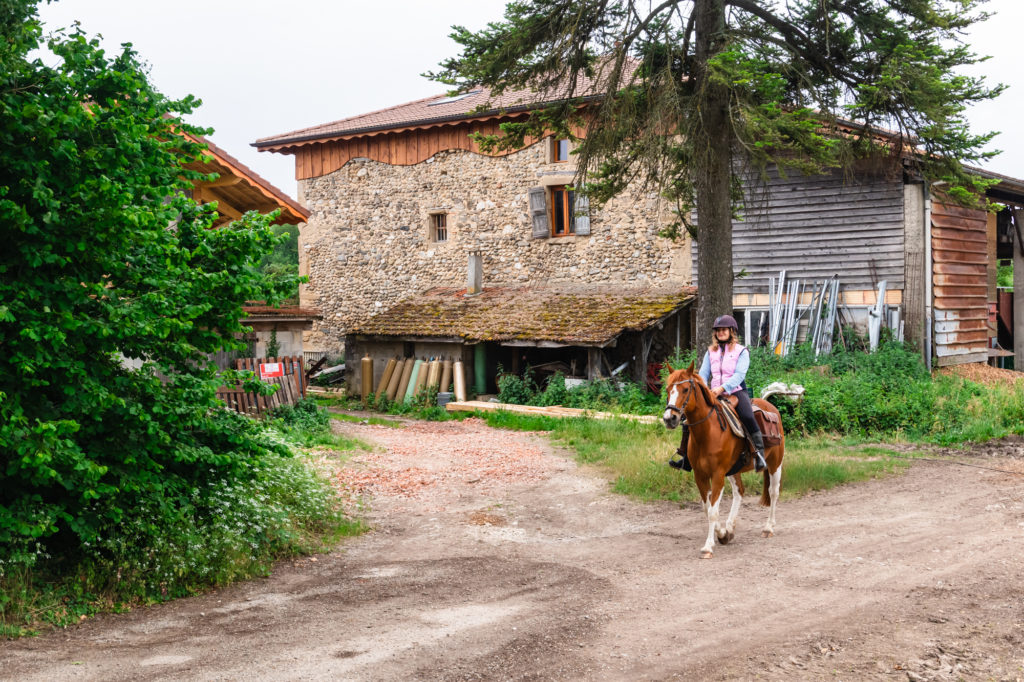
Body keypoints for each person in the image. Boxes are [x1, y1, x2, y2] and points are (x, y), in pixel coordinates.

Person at [672, 314, 767, 473]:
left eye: (724, 330)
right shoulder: (711, 352)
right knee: (689, 416)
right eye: (718, 330)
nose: (721, 332)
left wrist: (722, 388)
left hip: (736, 392)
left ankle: (759, 454)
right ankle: (686, 458)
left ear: (732, 331)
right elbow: (703, 373)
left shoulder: (741, 351)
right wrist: (703, 387)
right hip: (713, 393)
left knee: (748, 416)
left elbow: (739, 375)